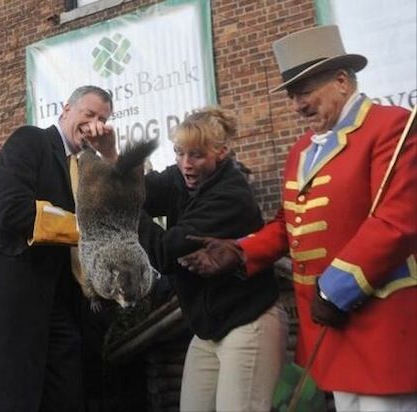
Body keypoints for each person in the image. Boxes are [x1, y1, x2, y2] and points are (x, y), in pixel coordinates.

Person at [178, 25, 417, 411]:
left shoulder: (391, 127)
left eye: (305, 92)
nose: (297, 105)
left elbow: (397, 222)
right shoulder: (302, 149)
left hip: (380, 321)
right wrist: (240, 252)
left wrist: (334, 288)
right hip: (331, 326)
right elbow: (288, 224)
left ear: (342, 81)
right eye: (292, 95)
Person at [0, 85, 115, 412]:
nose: (94, 124)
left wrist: (111, 155)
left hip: (56, 299)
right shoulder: (30, 140)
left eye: (102, 119)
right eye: (88, 114)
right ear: (65, 110)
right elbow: (13, 209)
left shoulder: (88, 166)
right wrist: (85, 229)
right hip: (10, 298)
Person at [133, 106, 288, 411]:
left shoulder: (230, 195)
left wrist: (123, 211)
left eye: (196, 155)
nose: (186, 164)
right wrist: (117, 172)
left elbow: (166, 253)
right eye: (179, 153)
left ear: (221, 153)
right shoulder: (182, 177)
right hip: (208, 328)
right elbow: (143, 192)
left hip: (248, 323)